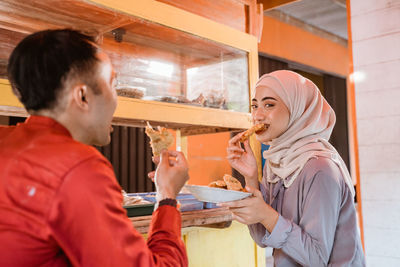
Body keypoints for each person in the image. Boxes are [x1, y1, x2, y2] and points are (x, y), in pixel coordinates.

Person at [0, 29, 188, 266]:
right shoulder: (79, 167)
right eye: (113, 84)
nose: (116, 99)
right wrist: (167, 195)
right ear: (83, 96)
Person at [223, 70, 365, 266]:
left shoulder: (320, 168)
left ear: (298, 108)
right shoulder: (278, 162)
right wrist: (251, 177)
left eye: (269, 105)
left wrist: (266, 214)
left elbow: (316, 259)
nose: (257, 115)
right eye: (254, 106)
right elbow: (262, 237)